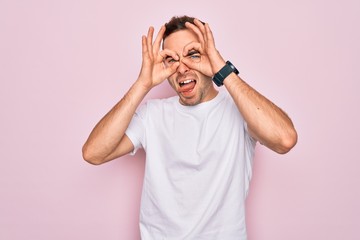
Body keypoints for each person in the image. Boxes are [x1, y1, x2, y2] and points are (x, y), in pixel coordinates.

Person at [82, 15, 297, 240]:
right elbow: (94, 153)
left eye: (193, 55)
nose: (182, 68)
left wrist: (222, 70)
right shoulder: (152, 115)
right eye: (172, 60)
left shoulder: (240, 110)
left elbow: (285, 139)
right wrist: (142, 84)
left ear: (210, 57)